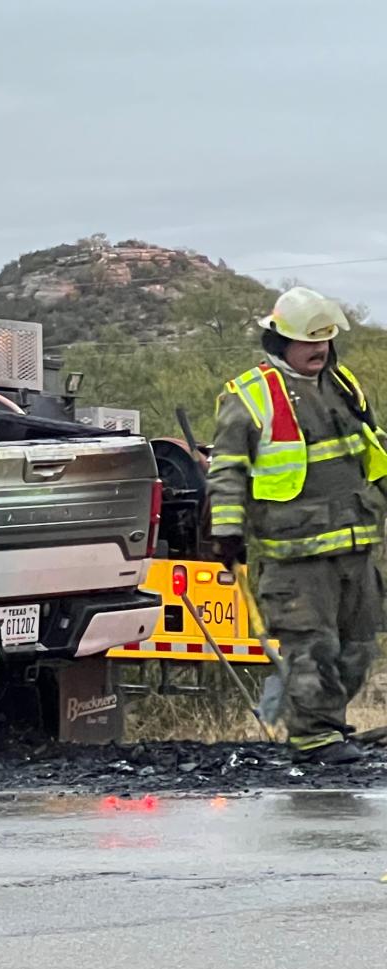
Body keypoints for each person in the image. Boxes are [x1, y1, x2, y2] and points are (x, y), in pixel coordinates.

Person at [206, 286, 387, 764]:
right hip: (295, 556)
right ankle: (313, 738)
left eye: (325, 340)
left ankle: (329, 728)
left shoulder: (343, 384)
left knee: (358, 651)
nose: (320, 349)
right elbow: (226, 469)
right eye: (309, 341)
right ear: (280, 342)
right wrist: (227, 532)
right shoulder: (249, 395)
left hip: (356, 544)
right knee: (313, 649)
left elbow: (372, 449)